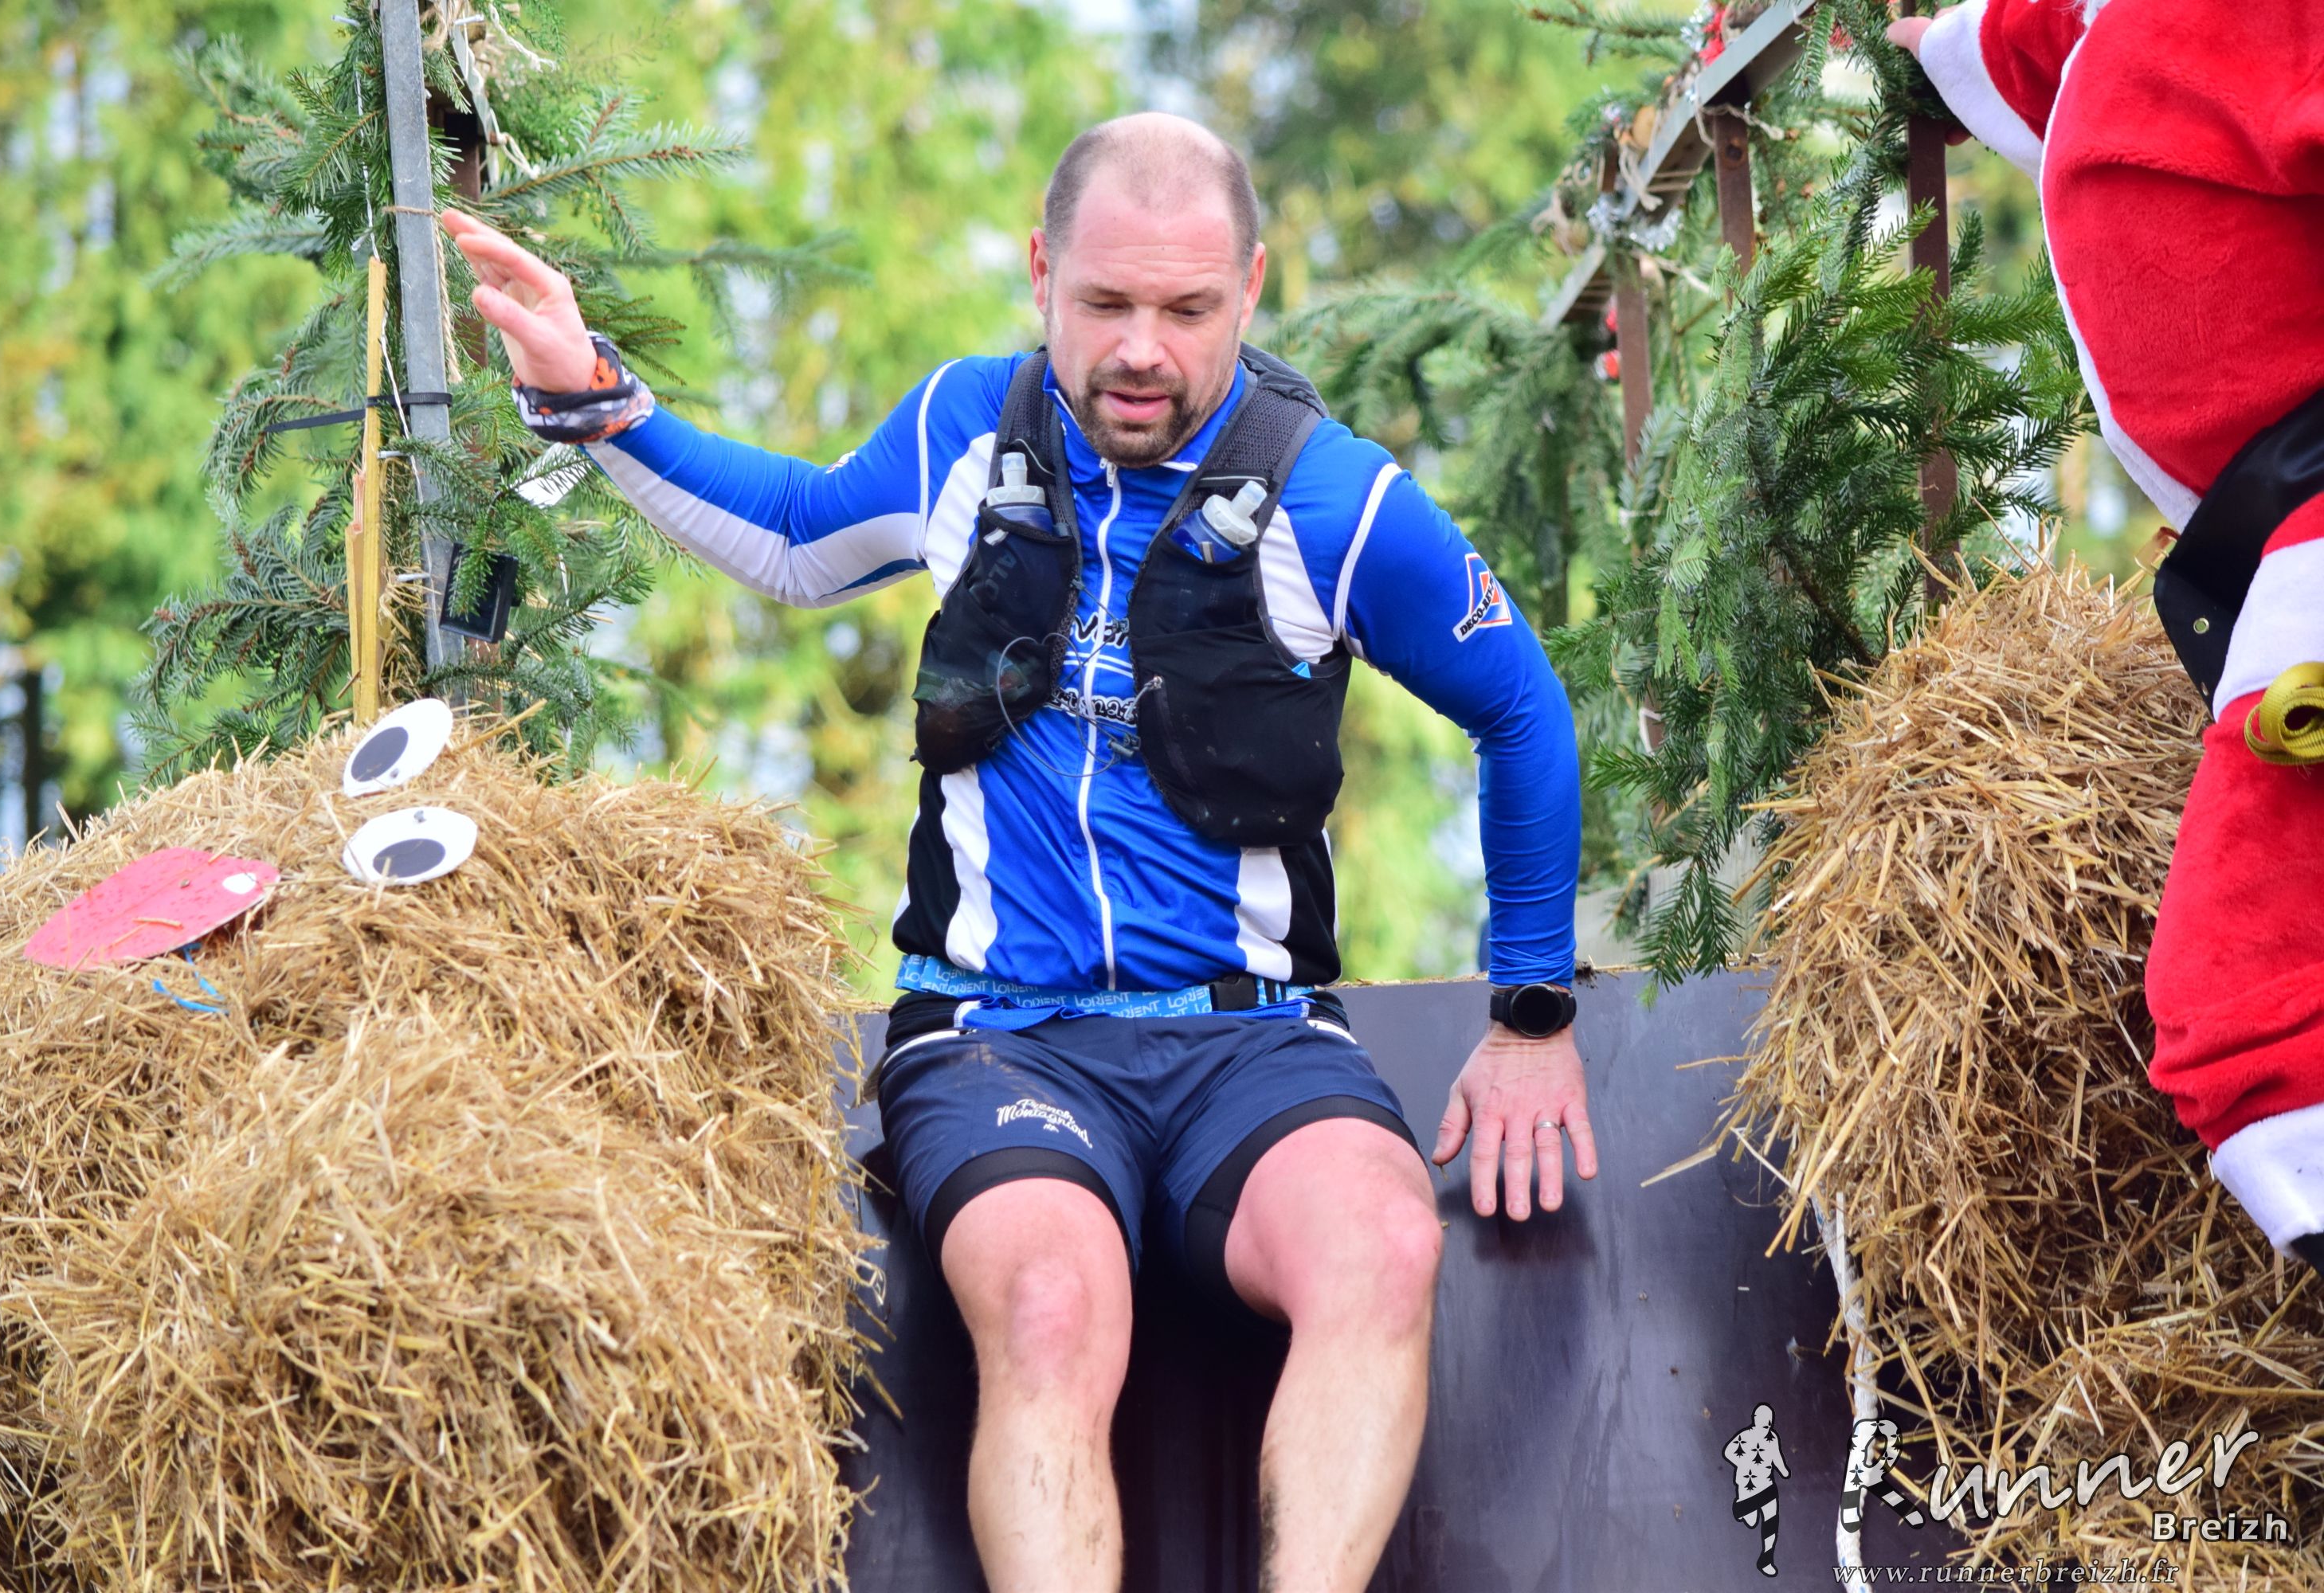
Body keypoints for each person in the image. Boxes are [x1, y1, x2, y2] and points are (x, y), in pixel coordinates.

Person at [444, 111, 1595, 1592]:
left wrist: (1531, 1015)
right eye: (1105, 303)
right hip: (999, 1040)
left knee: (1384, 1246)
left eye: (1187, 310)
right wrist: (596, 399)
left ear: (1251, 289)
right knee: (1055, 1304)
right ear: (1042, 273)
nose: (1142, 351)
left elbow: (1522, 709)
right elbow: (794, 536)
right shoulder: (961, 430)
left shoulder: (1335, 497)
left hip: (1255, 1043)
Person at [1892, 1, 2324, 1274]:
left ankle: (2299, 1138)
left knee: (2252, 942)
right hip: (2261, 528)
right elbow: (2034, 49)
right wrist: (1926, 55)